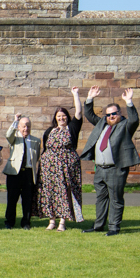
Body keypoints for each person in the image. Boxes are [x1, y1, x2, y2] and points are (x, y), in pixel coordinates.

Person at [80, 86, 140, 236]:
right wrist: (89, 98)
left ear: (120, 113)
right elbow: (89, 114)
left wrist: (129, 102)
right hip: (100, 169)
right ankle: (98, 226)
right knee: (101, 198)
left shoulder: (125, 125)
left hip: (116, 169)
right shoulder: (102, 123)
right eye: (109, 114)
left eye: (114, 113)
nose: (111, 116)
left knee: (115, 199)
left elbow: (134, 120)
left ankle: (114, 227)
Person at [35, 88, 85, 231]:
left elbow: (79, 113)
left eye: (63, 116)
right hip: (49, 169)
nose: (61, 118)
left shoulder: (72, 128)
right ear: (55, 118)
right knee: (50, 193)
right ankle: (51, 221)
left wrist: (75, 94)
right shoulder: (49, 131)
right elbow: (45, 149)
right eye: (59, 116)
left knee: (64, 192)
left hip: (66, 167)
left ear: (67, 117)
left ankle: (62, 222)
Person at [3, 113, 41, 230]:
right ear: (19, 127)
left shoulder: (36, 141)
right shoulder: (14, 138)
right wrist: (15, 121)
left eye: (28, 126)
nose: (26, 129)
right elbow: (8, 134)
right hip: (14, 173)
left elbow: (37, 156)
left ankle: (26, 222)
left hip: (28, 173)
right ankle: (9, 222)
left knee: (27, 200)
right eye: (24, 126)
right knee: (12, 199)